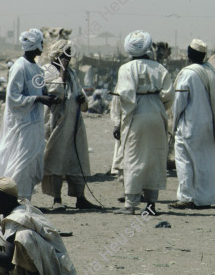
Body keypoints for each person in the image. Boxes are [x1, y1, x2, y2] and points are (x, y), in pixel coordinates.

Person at [112, 30, 174, 215]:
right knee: (154, 158)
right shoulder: (160, 68)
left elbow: (126, 97)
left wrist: (121, 121)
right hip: (156, 112)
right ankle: (151, 205)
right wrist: (157, 105)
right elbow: (168, 96)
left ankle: (131, 204)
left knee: (133, 157)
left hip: (136, 115)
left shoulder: (126, 69)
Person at [0, 29, 57, 201]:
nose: (43, 46)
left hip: (35, 123)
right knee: (21, 161)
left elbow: (39, 89)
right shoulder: (19, 67)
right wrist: (38, 98)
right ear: (34, 45)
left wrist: (47, 96)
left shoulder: (36, 68)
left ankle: (25, 199)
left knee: (31, 162)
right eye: (41, 43)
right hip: (22, 125)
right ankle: (15, 198)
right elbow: (13, 97)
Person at [41, 40, 99, 210]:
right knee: (56, 159)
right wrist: (62, 71)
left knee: (77, 158)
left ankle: (80, 197)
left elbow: (79, 93)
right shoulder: (47, 71)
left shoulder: (73, 73)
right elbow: (57, 92)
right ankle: (56, 199)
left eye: (70, 54)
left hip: (74, 124)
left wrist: (82, 100)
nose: (68, 58)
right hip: (56, 122)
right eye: (65, 54)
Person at [169, 39, 215, 209]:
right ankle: (203, 199)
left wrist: (173, 125)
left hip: (190, 126)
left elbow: (178, 102)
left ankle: (186, 197)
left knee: (184, 160)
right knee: (205, 162)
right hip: (209, 126)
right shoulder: (210, 71)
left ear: (189, 54)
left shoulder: (188, 73)